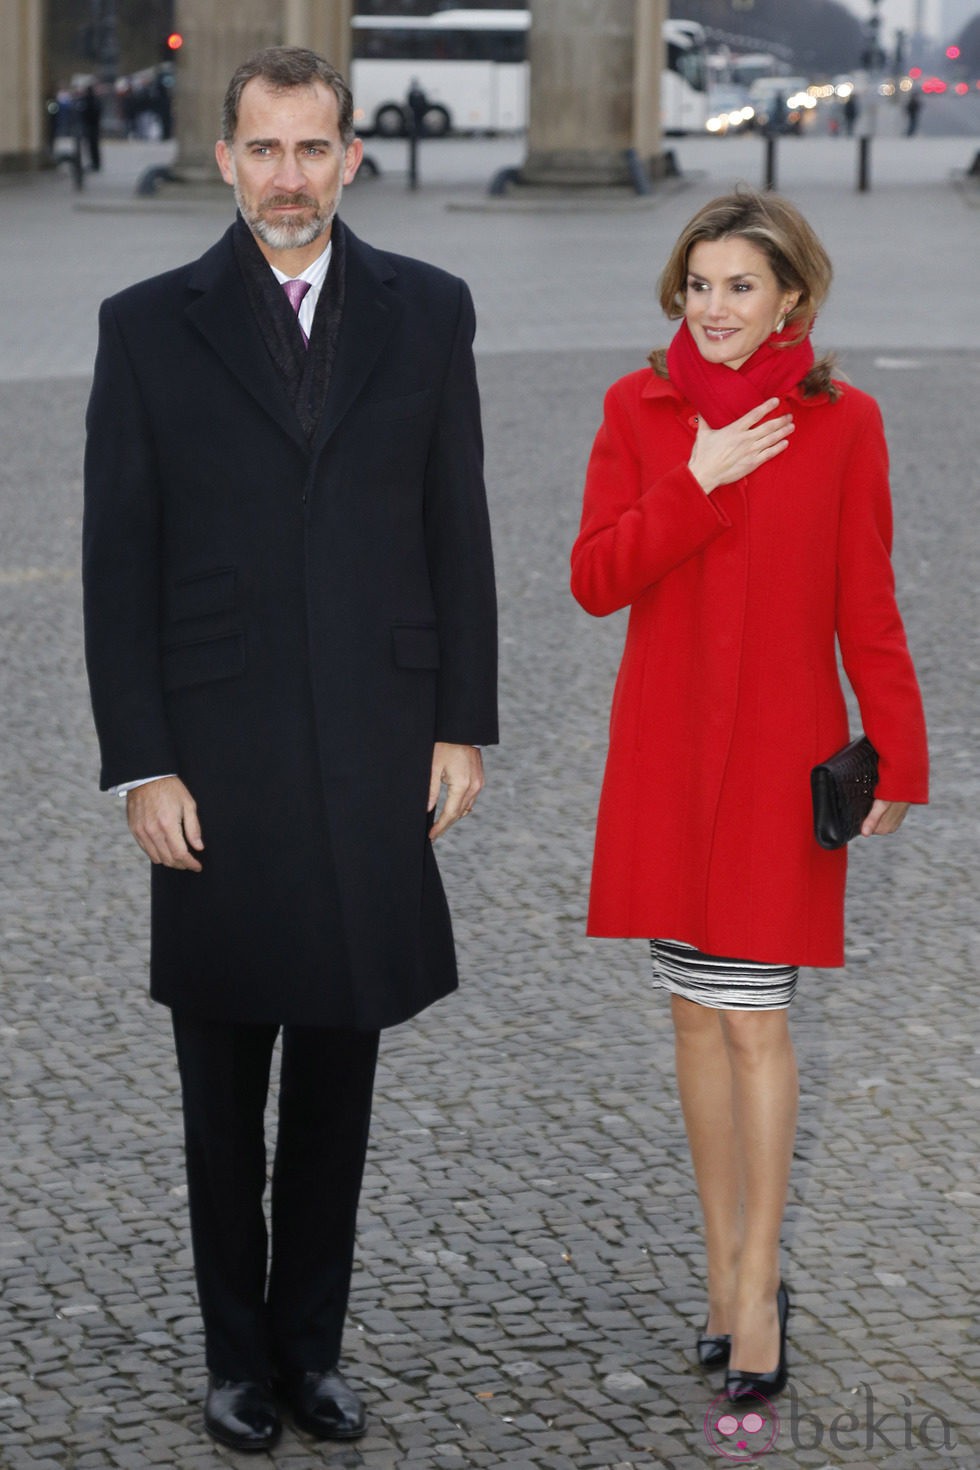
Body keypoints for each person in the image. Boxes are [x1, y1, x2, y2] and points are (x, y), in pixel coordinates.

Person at [83, 46, 497, 1453]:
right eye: (264, 150)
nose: (288, 178)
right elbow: (114, 562)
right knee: (220, 1088)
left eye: (313, 150)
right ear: (225, 158)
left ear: (353, 157)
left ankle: (312, 1352)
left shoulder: (429, 312)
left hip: (380, 745)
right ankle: (233, 1357)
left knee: (338, 1071)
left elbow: (459, 529)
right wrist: (142, 762)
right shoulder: (145, 325)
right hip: (217, 754)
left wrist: (461, 722)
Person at [570, 190, 927, 1407]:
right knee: (690, 1017)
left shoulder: (842, 423)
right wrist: (696, 478)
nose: (714, 307)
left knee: (752, 1019)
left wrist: (900, 752)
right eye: (698, 284)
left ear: (792, 302)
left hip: (779, 762)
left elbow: (864, 600)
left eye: (739, 286)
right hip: (665, 758)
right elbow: (595, 579)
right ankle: (721, 1274)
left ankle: (760, 1279)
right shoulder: (638, 410)